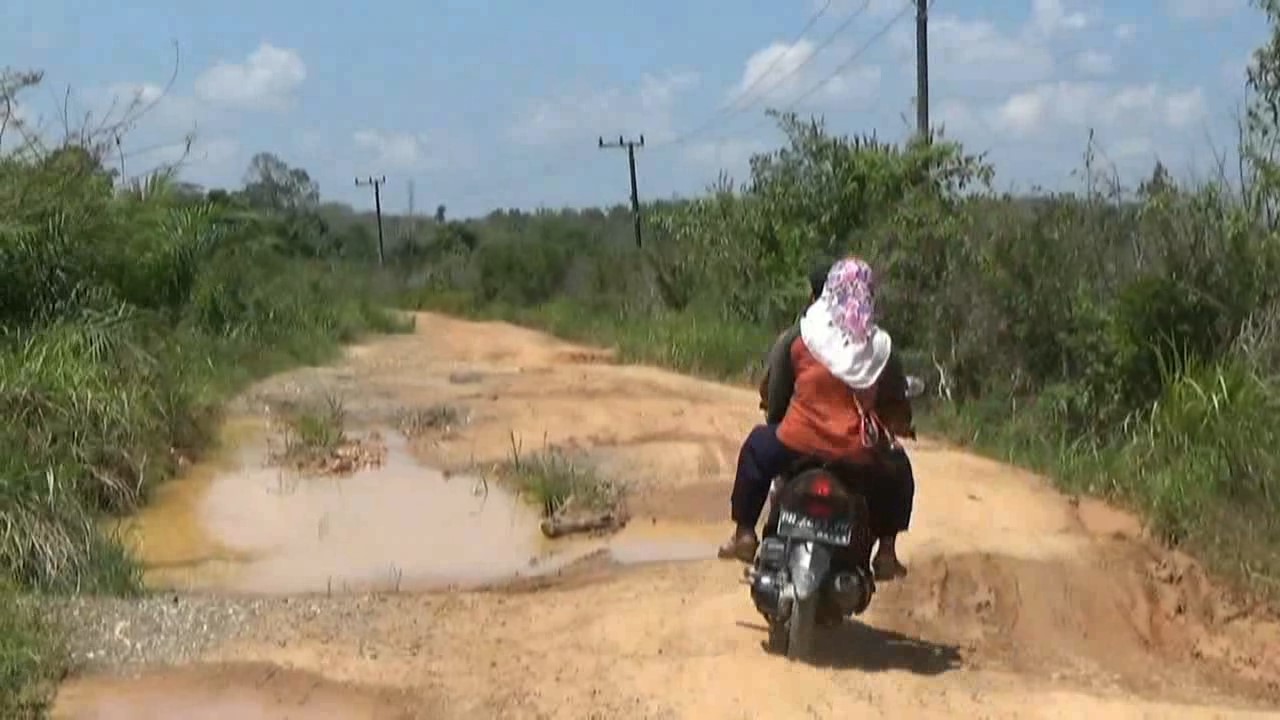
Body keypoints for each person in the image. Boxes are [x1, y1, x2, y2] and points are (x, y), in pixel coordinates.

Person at [719, 256, 915, 582]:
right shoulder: (880, 345)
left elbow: (778, 392)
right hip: (857, 454)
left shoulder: (804, 334)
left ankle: (744, 534)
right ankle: (886, 553)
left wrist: (783, 420)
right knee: (898, 469)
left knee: (756, 446)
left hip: (797, 442)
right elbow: (895, 399)